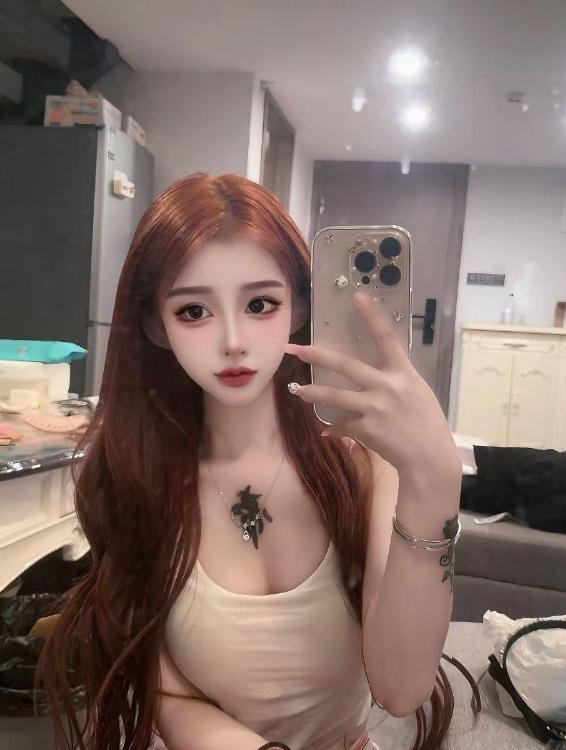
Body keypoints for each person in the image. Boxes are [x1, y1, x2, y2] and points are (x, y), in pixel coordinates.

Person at [36, 173, 463, 750]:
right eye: (193, 311)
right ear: (155, 324)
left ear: (301, 306)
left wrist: (435, 479)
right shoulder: (137, 476)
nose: (233, 340)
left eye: (261, 304)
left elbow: (402, 688)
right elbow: (168, 694)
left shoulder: (363, 465)